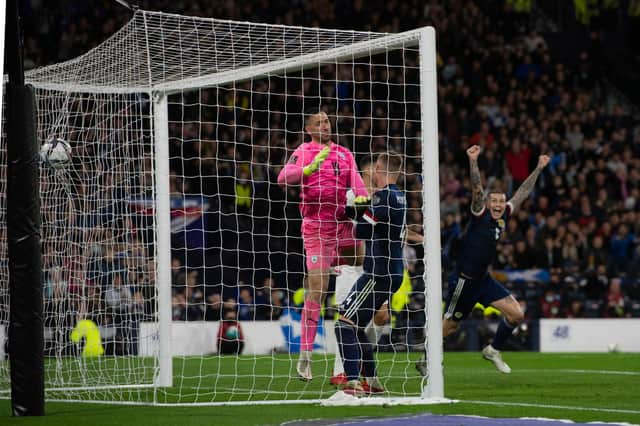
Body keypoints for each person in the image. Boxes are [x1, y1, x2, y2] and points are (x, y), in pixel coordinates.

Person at [416, 145, 550, 376]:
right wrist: (473, 161)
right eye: (494, 201)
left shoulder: (504, 215)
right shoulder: (479, 214)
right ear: (488, 203)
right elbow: (477, 190)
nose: (498, 205)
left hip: (483, 281)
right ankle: (426, 358)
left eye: (501, 201)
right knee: (450, 326)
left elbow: (522, 193)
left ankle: (493, 349)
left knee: (516, 314)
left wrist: (538, 168)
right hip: (463, 281)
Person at [277, 107, 368, 381]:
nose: (325, 125)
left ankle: (363, 335)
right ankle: (306, 355)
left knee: (367, 267)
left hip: (342, 224)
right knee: (317, 289)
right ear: (309, 128)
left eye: (327, 121)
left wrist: (362, 200)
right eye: (319, 122)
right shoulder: (304, 150)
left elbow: (359, 185)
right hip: (316, 227)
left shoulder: (344, 153)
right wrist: (309, 168)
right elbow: (283, 178)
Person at [334, 152, 407, 395]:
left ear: (379, 168)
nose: (371, 175)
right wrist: (354, 211)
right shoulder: (399, 197)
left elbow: (362, 232)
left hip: (376, 273)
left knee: (343, 325)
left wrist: (360, 208)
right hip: (393, 271)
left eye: (373, 170)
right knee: (356, 327)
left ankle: (353, 382)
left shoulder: (382, 198)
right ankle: (373, 381)